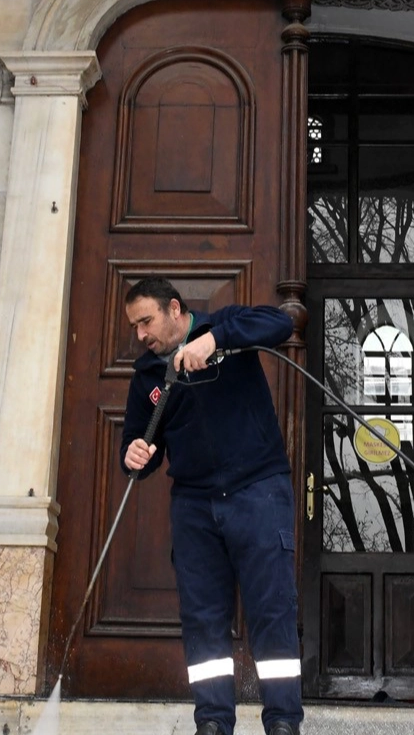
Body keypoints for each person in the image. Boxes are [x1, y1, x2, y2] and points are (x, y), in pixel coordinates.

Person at [120, 276, 303, 735]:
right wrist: (134, 455)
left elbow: (280, 324)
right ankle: (213, 723)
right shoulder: (147, 377)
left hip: (257, 491)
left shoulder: (225, 325)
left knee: (272, 609)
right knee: (202, 618)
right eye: (135, 326)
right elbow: (142, 447)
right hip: (194, 506)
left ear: (174, 309)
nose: (140, 334)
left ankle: (283, 722)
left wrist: (216, 339)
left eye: (146, 321)